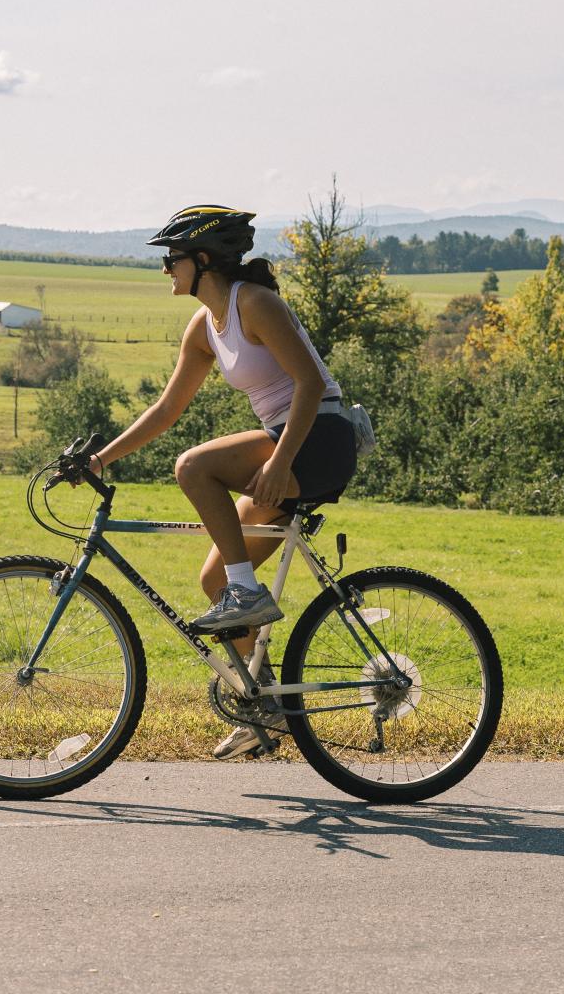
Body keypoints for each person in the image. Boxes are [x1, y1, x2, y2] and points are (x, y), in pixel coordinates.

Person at [88, 205, 358, 759]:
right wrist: (100, 459)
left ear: (203, 260)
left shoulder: (256, 304)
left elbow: (310, 384)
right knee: (215, 579)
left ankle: (248, 594)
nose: (166, 268)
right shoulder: (204, 326)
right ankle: (264, 704)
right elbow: (167, 410)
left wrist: (281, 462)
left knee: (194, 466)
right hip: (290, 442)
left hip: (320, 437)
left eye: (173, 258)